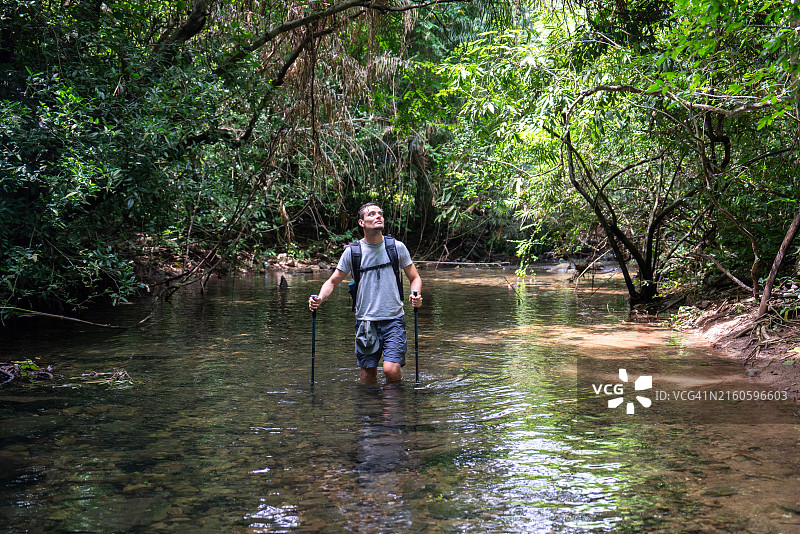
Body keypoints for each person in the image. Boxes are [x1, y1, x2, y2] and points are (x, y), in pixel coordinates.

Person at [308, 203, 422, 384]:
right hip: (365, 322)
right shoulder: (352, 253)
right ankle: (370, 410)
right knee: (367, 376)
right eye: (372, 214)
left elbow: (414, 277)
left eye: (380, 213)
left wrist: (415, 294)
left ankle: (394, 409)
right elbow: (332, 281)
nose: (378, 216)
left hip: (393, 319)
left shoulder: (396, 248)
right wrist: (319, 298)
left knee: (391, 370)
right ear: (362, 222)